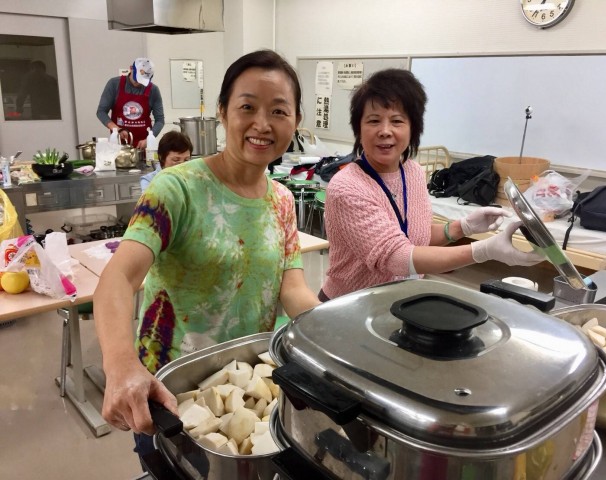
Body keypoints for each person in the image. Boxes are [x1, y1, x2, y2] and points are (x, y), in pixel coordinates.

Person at [93, 49, 320, 460]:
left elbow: (294, 291)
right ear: (222, 112)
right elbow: (118, 279)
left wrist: (337, 328)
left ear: (296, 121)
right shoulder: (176, 189)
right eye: (247, 107)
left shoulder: (282, 201)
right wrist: (121, 364)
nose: (262, 124)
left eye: (279, 111)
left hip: (246, 392)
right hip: (167, 394)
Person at [319, 69, 543, 300]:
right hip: (347, 305)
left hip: (398, 301)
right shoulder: (347, 187)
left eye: (397, 121)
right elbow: (396, 257)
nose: (385, 131)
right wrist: (483, 250)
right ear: (358, 129)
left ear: (413, 128)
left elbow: (416, 237)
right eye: (374, 121)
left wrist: (462, 227)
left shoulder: (413, 172)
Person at [96, 57, 165, 149]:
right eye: (137, 78)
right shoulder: (114, 84)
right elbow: (101, 112)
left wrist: (150, 139)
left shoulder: (153, 90)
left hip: (143, 146)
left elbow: (160, 120)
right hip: (119, 145)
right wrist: (117, 129)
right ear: (131, 68)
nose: (139, 83)